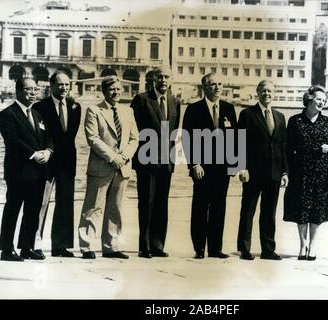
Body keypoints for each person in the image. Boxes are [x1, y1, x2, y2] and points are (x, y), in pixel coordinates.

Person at [78, 76, 139, 259]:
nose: (116, 92)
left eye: (119, 89)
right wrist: (113, 158)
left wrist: (124, 157)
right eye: (112, 89)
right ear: (104, 91)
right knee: (93, 207)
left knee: (115, 208)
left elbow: (134, 138)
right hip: (101, 167)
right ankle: (87, 246)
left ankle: (110, 246)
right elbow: (93, 138)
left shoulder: (128, 111)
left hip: (122, 168)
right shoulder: (94, 110)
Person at [182, 73, 237, 259]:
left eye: (220, 84)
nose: (217, 88)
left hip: (222, 169)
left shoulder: (229, 109)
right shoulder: (194, 109)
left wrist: (234, 165)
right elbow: (187, 139)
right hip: (202, 168)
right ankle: (199, 247)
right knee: (200, 206)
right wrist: (194, 164)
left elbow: (234, 139)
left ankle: (215, 248)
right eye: (213, 84)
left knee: (219, 208)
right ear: (204, 87)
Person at [0, 77, 53, 261]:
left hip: (38, 172)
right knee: (13, 209)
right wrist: (34, 154)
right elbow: (13, 142)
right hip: (18, 171)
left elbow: (48, 137)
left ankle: (26, 247)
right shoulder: (7, 114)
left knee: (33, 210)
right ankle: (6, 249)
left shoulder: (37, 114)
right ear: (18, 91)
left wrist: (48, 151)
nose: (33, 93)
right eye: (28, 89)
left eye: (35, 89)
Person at [130, 66, 181, 258]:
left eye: (167, 77)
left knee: (162, 204)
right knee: (146, 203)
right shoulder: (142, 99)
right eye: (160, 77)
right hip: (146, 160)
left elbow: (174, 132)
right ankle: (145, 247)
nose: (163, 80)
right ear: (154, 79)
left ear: (171, 80)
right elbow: (133, 131)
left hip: (166, 161)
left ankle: (158, 245)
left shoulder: (175, 101)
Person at [237, 80, 288, 261]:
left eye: (270, 91)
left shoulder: (280, 117)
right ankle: (244, 248)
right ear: (257, 92)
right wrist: (241, 167)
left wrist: (284, 172)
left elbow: (283, 146)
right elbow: (239, 142)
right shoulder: (247, 114)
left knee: (269, 212)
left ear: (274, 93)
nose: (267, 94)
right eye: (263, 90)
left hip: (274, 173)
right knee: (248, 210)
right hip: (253, 172)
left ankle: (268, 249)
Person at [33, 70, 81, 258]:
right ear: (51, 85)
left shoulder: (75, 107)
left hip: (68, 162)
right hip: (47, 162)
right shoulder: (40, 107)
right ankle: (34, 243)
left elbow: (70, 136)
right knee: (41, 203)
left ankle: (60, 246)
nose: (64, 88)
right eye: (60, 84)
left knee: (65, 203)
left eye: (67, 85)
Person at [283, 86, 328, 261]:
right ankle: (302, 244)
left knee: (318, 209)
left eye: (324, 100)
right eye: (319, 99)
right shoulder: (295, 121)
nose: (322, 102)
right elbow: (288, 148)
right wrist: (286, 172)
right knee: (302, 209)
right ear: (309, 99)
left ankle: (313, 245)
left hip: (321, 172)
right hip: (300, 172)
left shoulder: (327, 122)